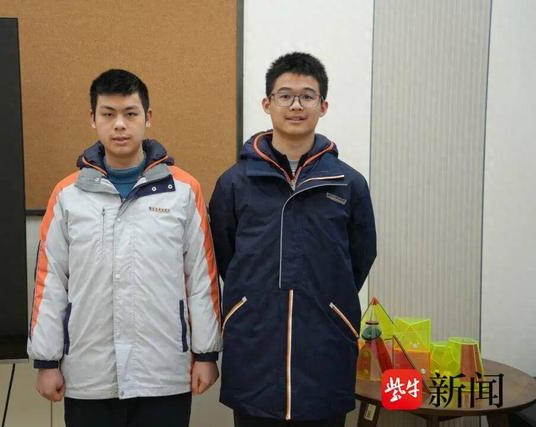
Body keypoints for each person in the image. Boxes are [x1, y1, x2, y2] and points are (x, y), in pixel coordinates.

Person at [27, 69, 221, 427]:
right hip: (89, 374)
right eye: (108, 114)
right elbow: (50, 283)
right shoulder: (68, 195)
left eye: (130, 113)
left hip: (163, 372)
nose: (119, 124)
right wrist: (47, 362)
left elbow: (201, 280)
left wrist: (206, 354)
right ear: (93, 119)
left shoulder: (183, 191)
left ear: (148, 117)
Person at [209, 52, 377, 426]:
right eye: (285, 95)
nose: (296, 105)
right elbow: (224, 252)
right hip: (255, 340)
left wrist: (329, 299)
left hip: (325, 342)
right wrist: (250, 299)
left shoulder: (348, 184)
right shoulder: (235, 183)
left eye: (307, 96)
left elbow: (360, 256)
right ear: (267, 104)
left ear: (323, 105)